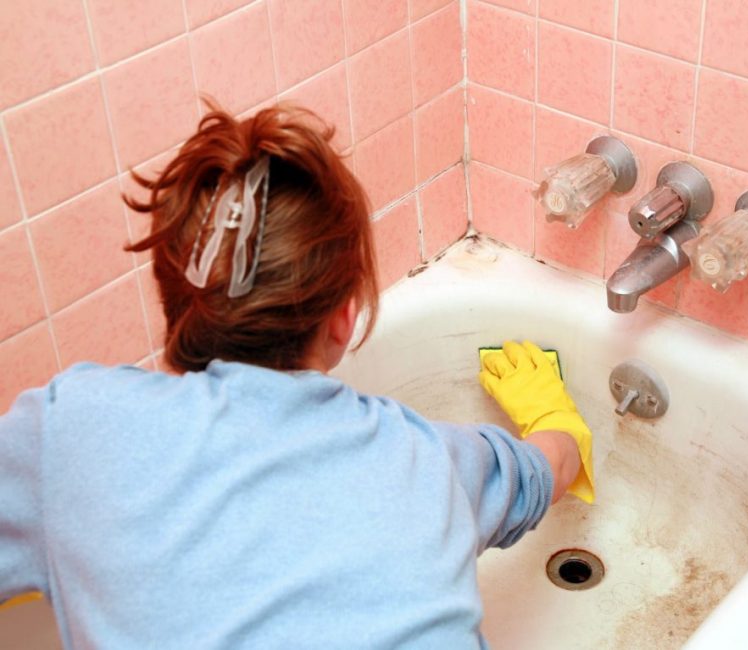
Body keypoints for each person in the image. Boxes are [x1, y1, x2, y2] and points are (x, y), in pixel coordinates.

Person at [0, 104, 593, 649]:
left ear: (174, 297)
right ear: (344, 316)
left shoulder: (70, 436)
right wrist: (552, 417)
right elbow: (551, 464)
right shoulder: (427, 462)